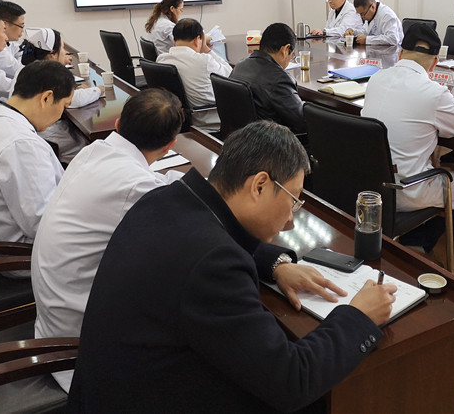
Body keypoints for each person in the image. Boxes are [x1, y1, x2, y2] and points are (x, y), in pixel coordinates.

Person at [67, 120, 396, 413]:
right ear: (260, 186)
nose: (290, 221)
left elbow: (214, 237)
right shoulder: (214, 265)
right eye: (293, 199)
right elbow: (293, 380)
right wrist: (359, 317)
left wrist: (276, 264)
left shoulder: (165, 199)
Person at [32, 89, 186, 393]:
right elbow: (181, 223)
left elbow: (152, 187)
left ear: (117, 123)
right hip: (79, 347)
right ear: (170, 145)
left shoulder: (93, 152)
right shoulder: (135, 186)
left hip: (53, 317)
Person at [362, 23, 454, 247]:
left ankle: (413, 233)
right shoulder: (434, 92)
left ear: (400, 54)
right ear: (434, 63)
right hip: (405, 191)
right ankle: (418, 239)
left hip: (369, 183)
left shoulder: (375, 79)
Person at [0, 60, 75, 244]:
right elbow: (43, 223)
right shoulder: (21, 144)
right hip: (21, 251)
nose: (60, 116)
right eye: (64, 106)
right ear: (47, 98)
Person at [15, 27, 103, 163]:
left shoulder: (29, 68)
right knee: (90, 146)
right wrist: (98, 90)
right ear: (51, 54)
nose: (65, 52)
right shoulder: (46, 72)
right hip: (46, 135)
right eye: (62, 48)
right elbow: (75, 100)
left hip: (34, 130)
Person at [230, 23, 307, 138]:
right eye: (292, 54)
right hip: (271, 143)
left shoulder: (240, 65)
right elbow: (302, 122)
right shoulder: (279, 79)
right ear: (285, 49)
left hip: (240, 139)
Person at [156, 17, 232, 129]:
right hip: (210, 119)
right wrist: (207, 49)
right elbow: (230, 74)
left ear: (174, 41)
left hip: (182, 118)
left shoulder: (162, 59)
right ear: (197, 39)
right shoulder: (204, 61)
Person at [0, 0, 26, 77]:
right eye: (21, 26)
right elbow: (21, 72)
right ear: (4, 24)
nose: (22, 30)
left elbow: (22, 53)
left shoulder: (9, 43)